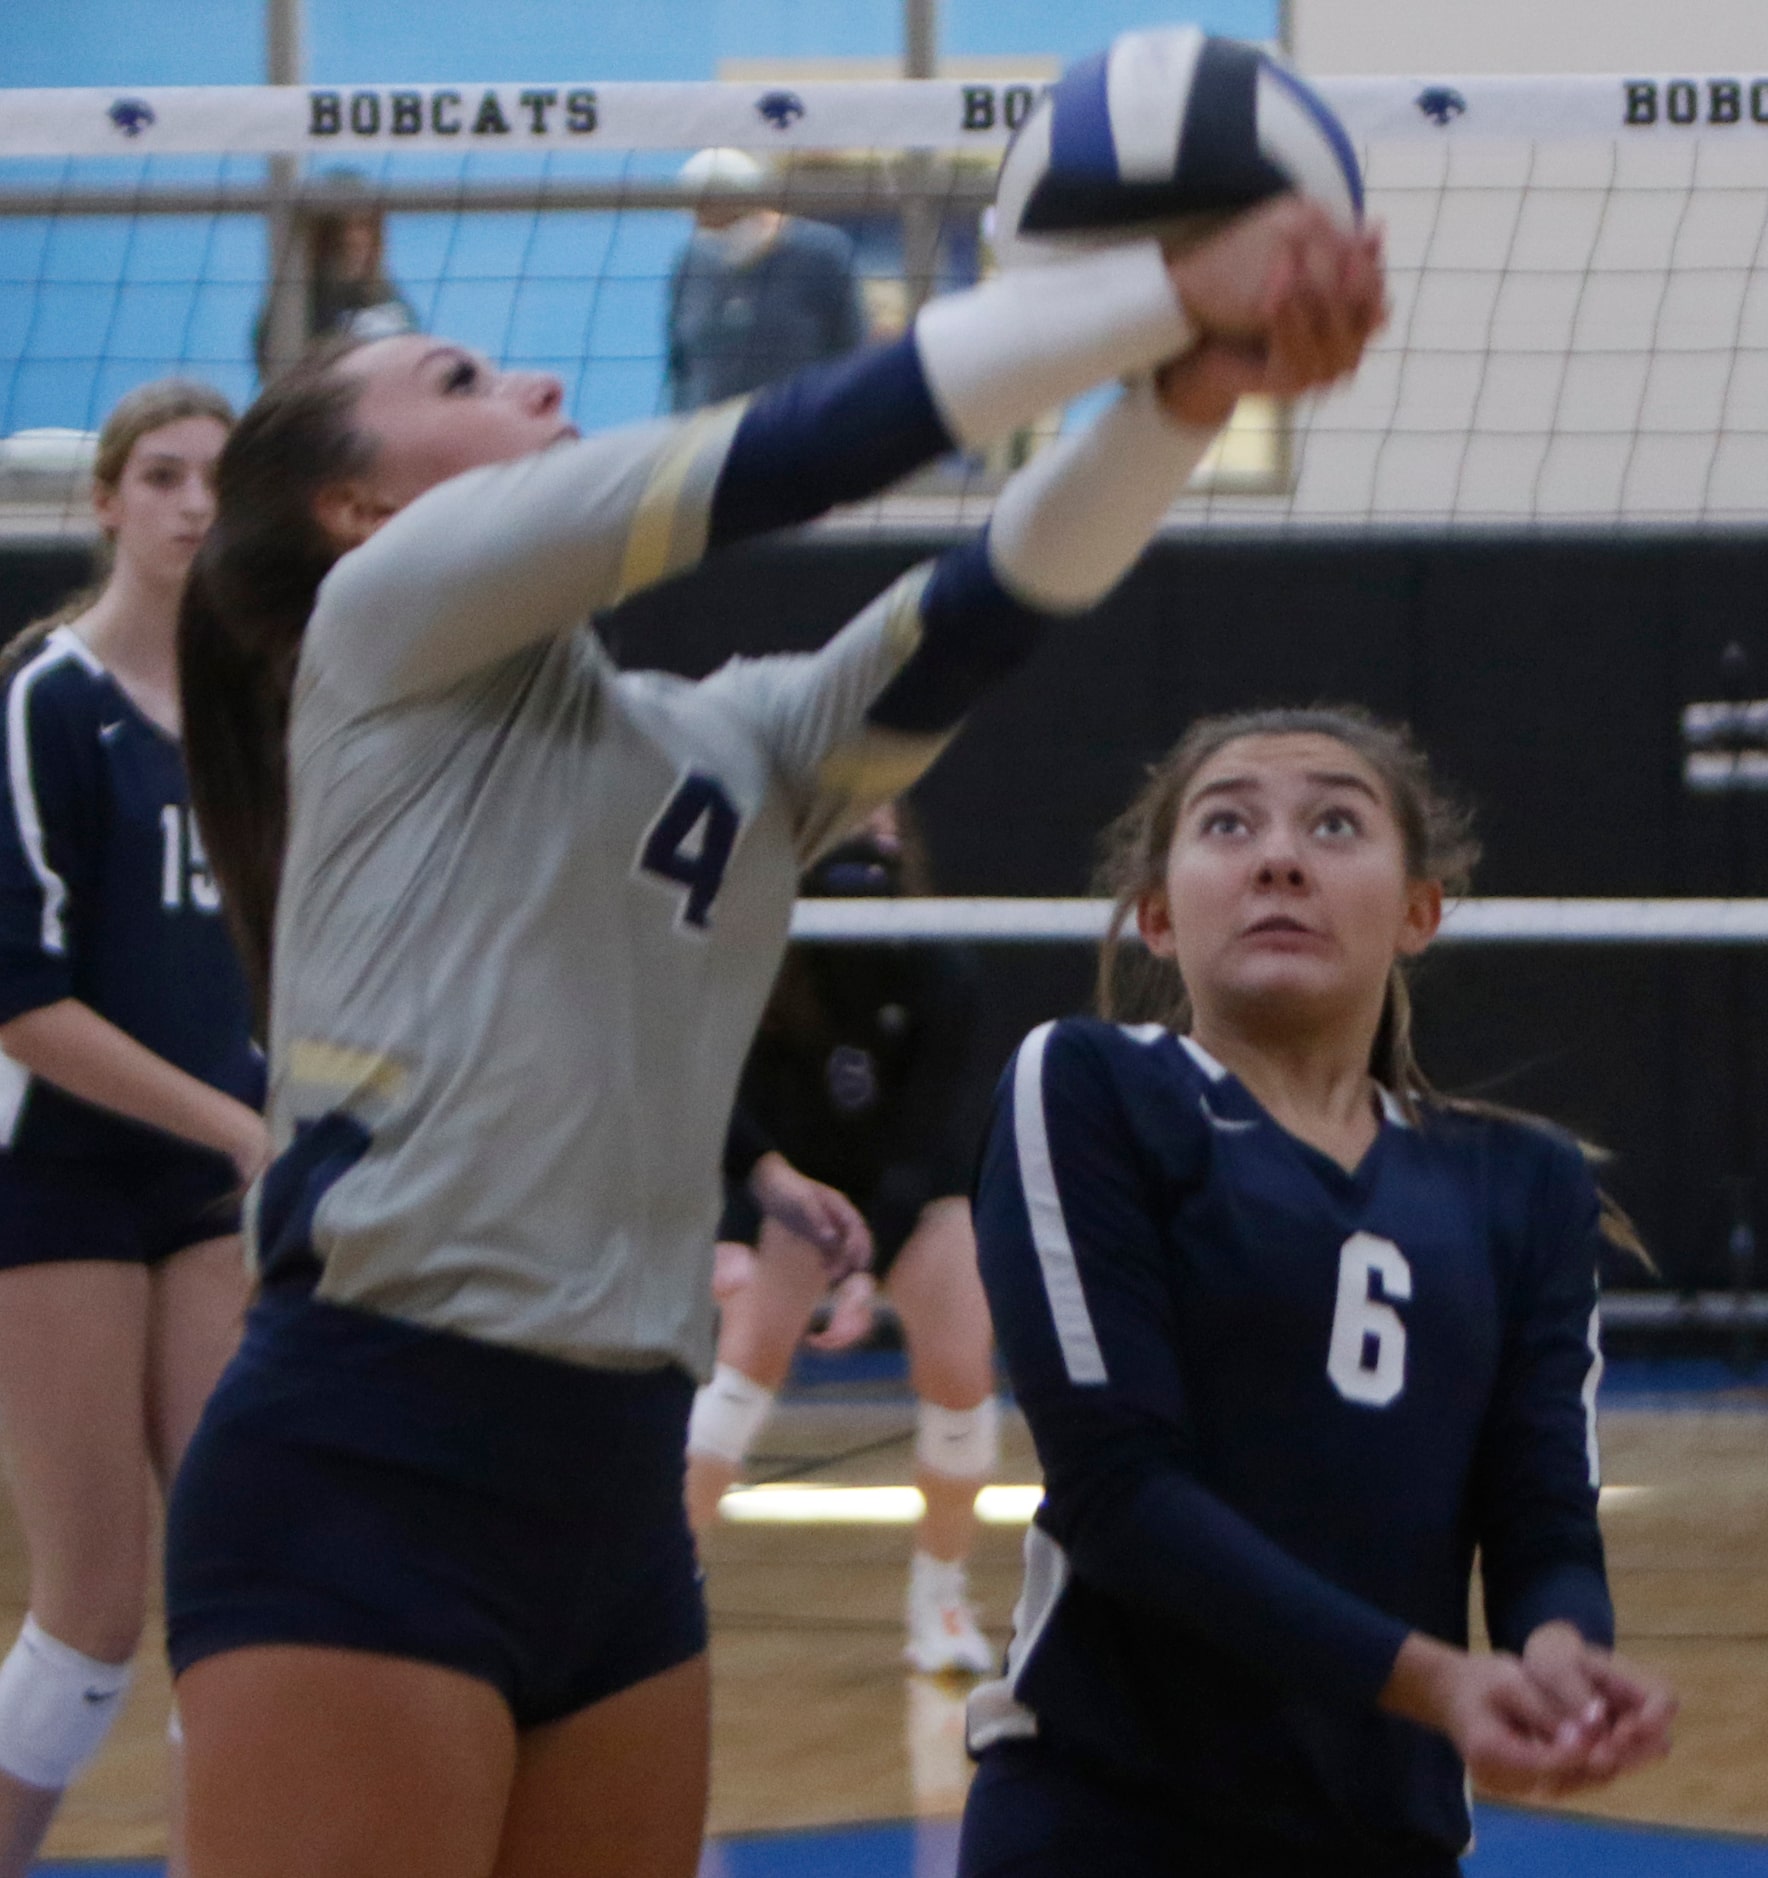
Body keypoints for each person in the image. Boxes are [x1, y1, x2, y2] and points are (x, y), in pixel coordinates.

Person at [169, 199, 1385, 1878]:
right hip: (378, 1450)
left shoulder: (713, 741)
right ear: (356, 506)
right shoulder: (377, 626)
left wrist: (1183, 398)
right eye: (457, 372)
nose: (527, 378)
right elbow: (778, 451)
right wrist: (1162, 289)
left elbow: (978, 604)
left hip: (615, 1488)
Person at [959, 707, 1678, 1878]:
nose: (1278, 856)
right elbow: (1115, 1489)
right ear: (1156, 910)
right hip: (1109, 1818)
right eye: (1227, 822)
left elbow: (1541, 1512)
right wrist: (1437, 1681)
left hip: (1384, 1833)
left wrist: (1563, 1657)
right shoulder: (1093, 1085)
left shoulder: (1519, 1179)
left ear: (1416, 912)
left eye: (1335, 822)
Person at [0, 379, 266, 1878]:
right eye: (159, 477)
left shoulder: (255, 711)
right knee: (94, 1598)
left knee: (236, 1577)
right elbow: (22, 1002)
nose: (189, 506)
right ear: (105, 502)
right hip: (56, 1174)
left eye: (217, 481)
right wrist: (233, 1120)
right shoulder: (52, 697)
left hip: (212, 1176)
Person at [687, 802, 1000, 1674]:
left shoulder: (939, 963)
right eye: (848, 820)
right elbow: (736, 1110)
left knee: (963, 1377)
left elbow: (934, 1132)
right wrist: (742, 1232)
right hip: (803, 1187)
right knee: (745, 1363)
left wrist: (872, 1263)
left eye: (887, 823)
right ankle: (660, 1581)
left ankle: (938, 1599)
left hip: (913, 1189)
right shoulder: (760, 958)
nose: (870, 838)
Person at [666, 147, 868, 412]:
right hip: (713, 440)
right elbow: (680, 367)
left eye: (723, 217)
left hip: (798, 433)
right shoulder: (692, 261)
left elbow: (851, 356)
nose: (712, 228)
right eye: (701, 218)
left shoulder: (823, 255)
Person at [254, 167, 419, 381]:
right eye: (338, 227)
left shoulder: (391, 301)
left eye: (362, 225)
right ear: (317, 236)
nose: (352, 239)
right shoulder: (291, 314)